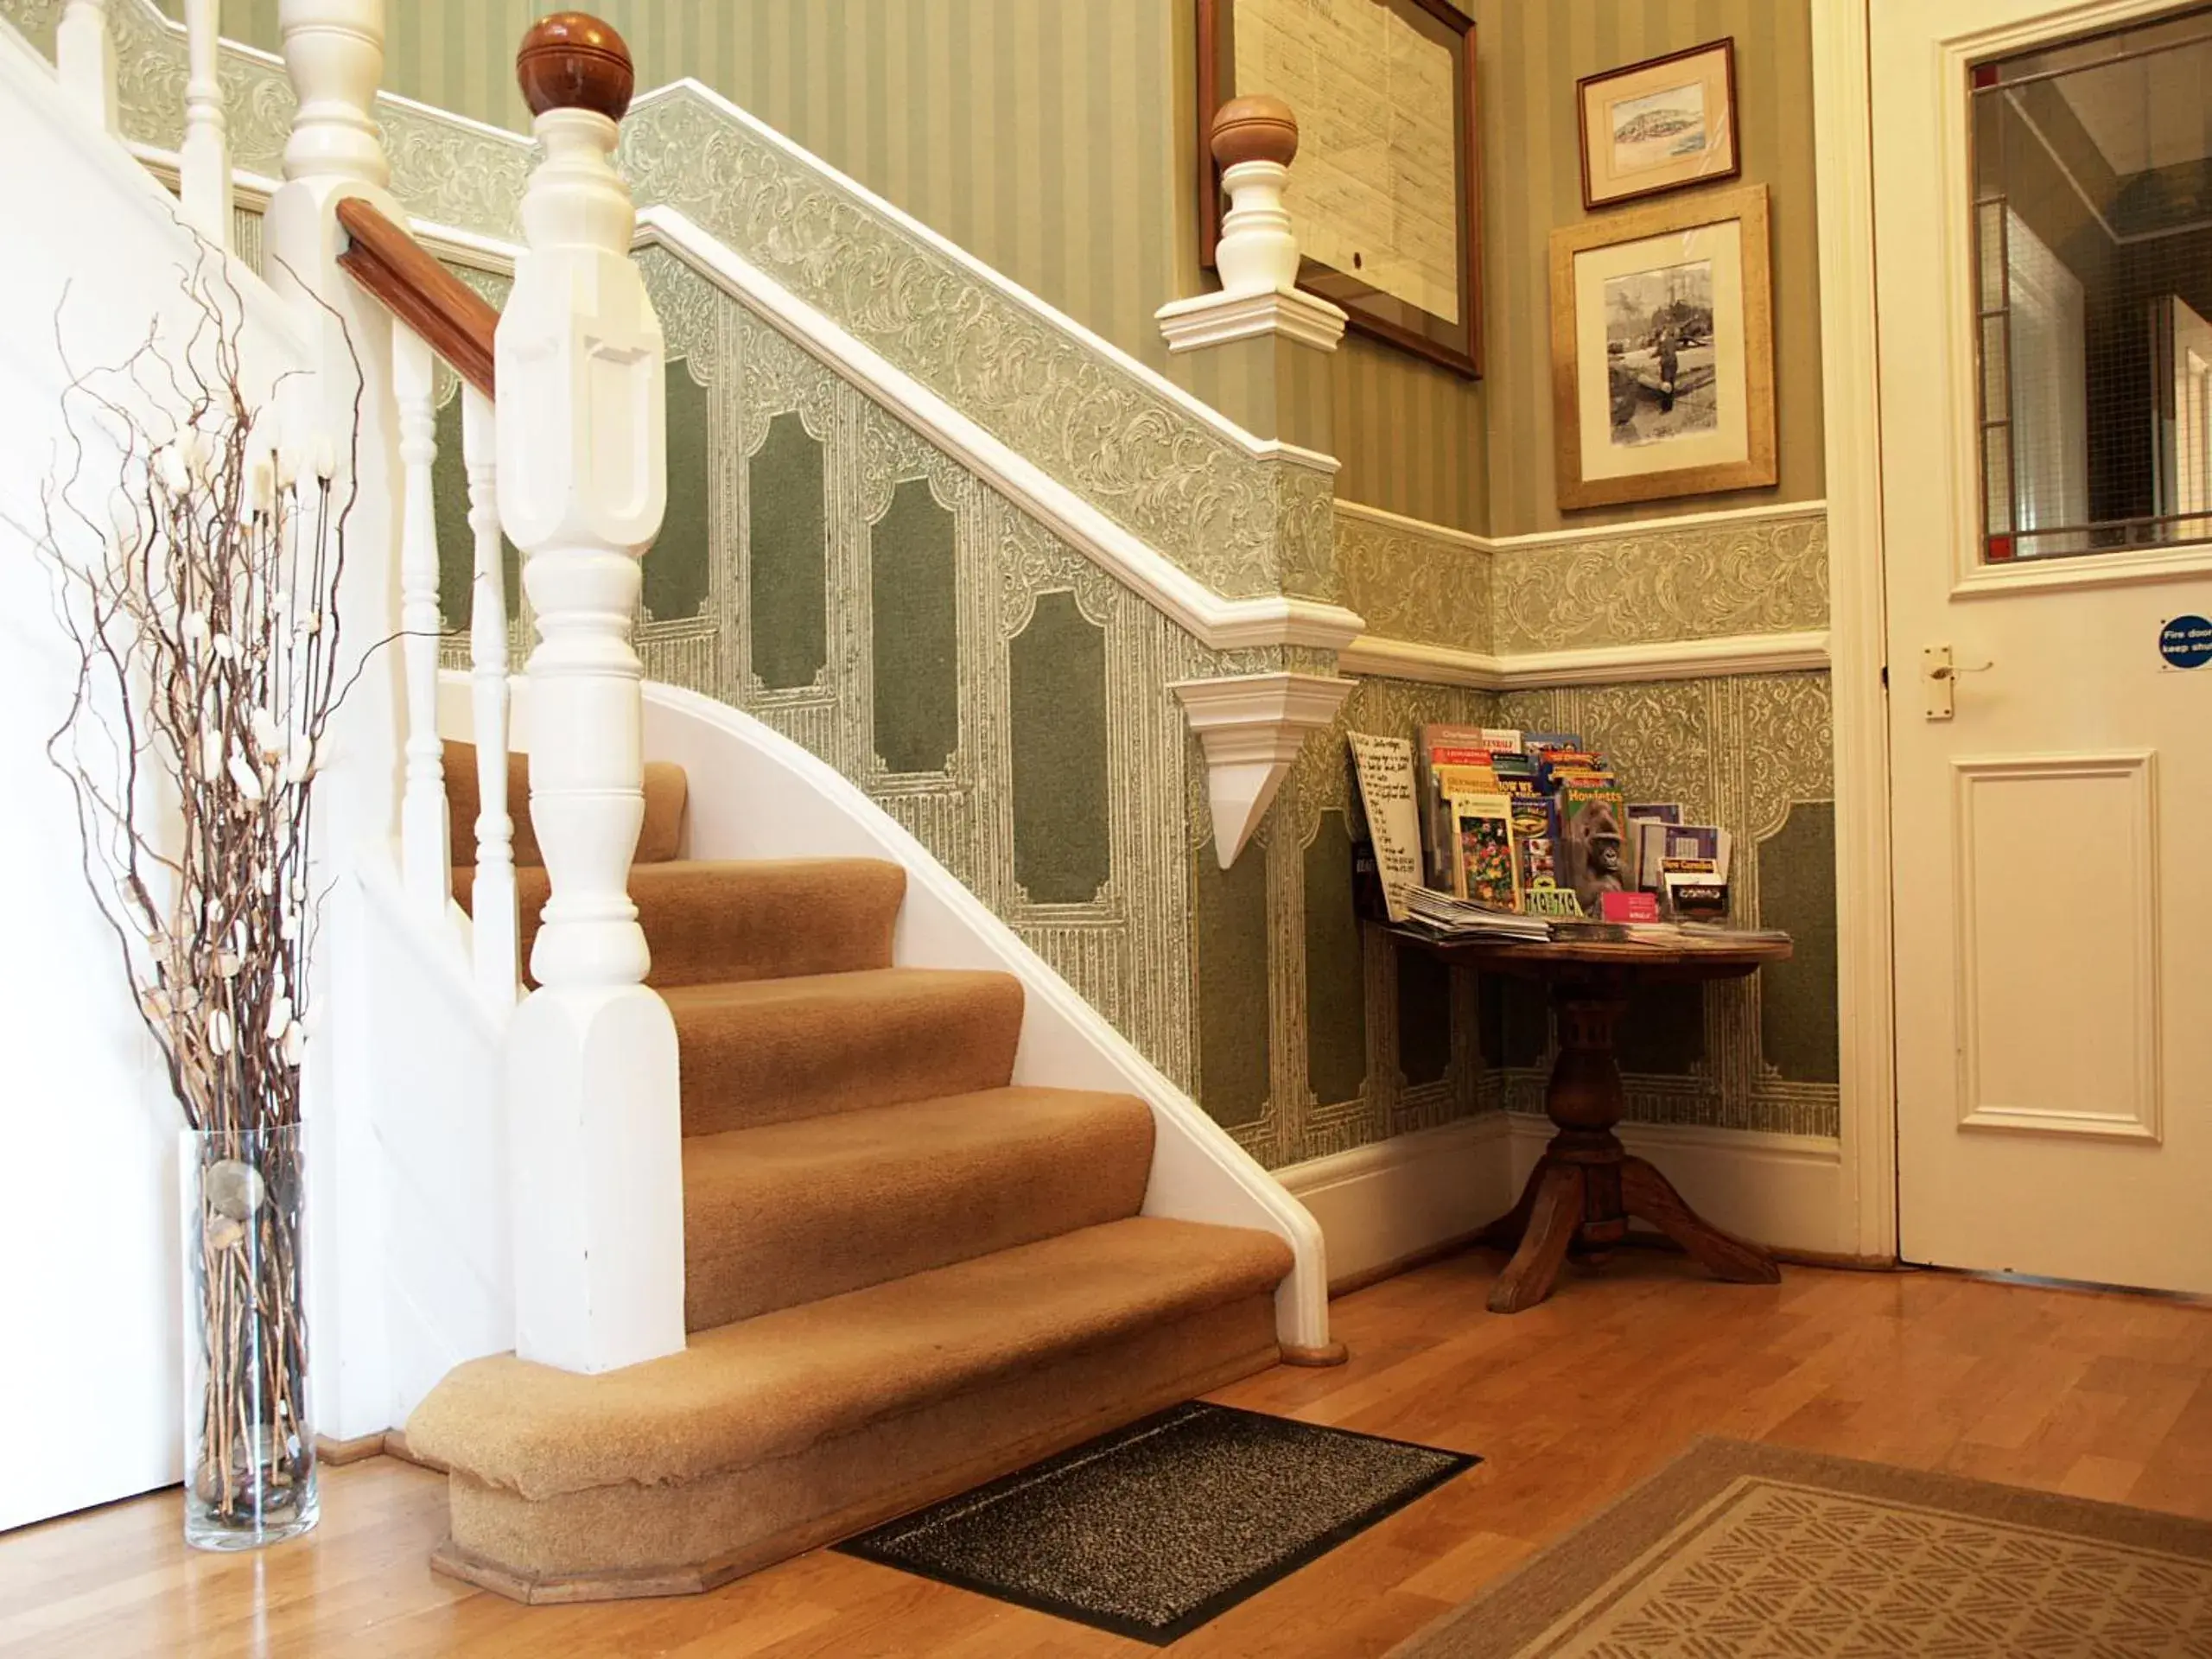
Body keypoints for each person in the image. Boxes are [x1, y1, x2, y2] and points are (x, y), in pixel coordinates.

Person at [1656, 323, 1678, 415]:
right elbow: (1660, 351)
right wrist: (1653, 355)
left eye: (1662, 332)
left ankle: (1667, 408)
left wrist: (1661, 363)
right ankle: (1666, 406)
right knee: (1667, 386)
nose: (1662, 334)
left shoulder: (1669, 341)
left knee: (1667, 386)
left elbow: (1671, 356)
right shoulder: (1664, 341)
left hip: (1669, 366)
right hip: (1666, 366)